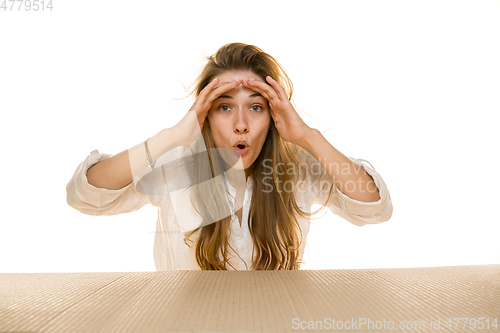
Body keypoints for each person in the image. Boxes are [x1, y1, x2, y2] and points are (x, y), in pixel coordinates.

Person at [66, 42, 393, 271]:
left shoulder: (298, 168)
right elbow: (86, 195)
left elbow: (374, 208)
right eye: (224, 107)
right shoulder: (176, 164)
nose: (241, 125)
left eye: (255, 107)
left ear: (274, 115)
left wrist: (308, 136)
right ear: (205, 113)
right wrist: (170, 137)